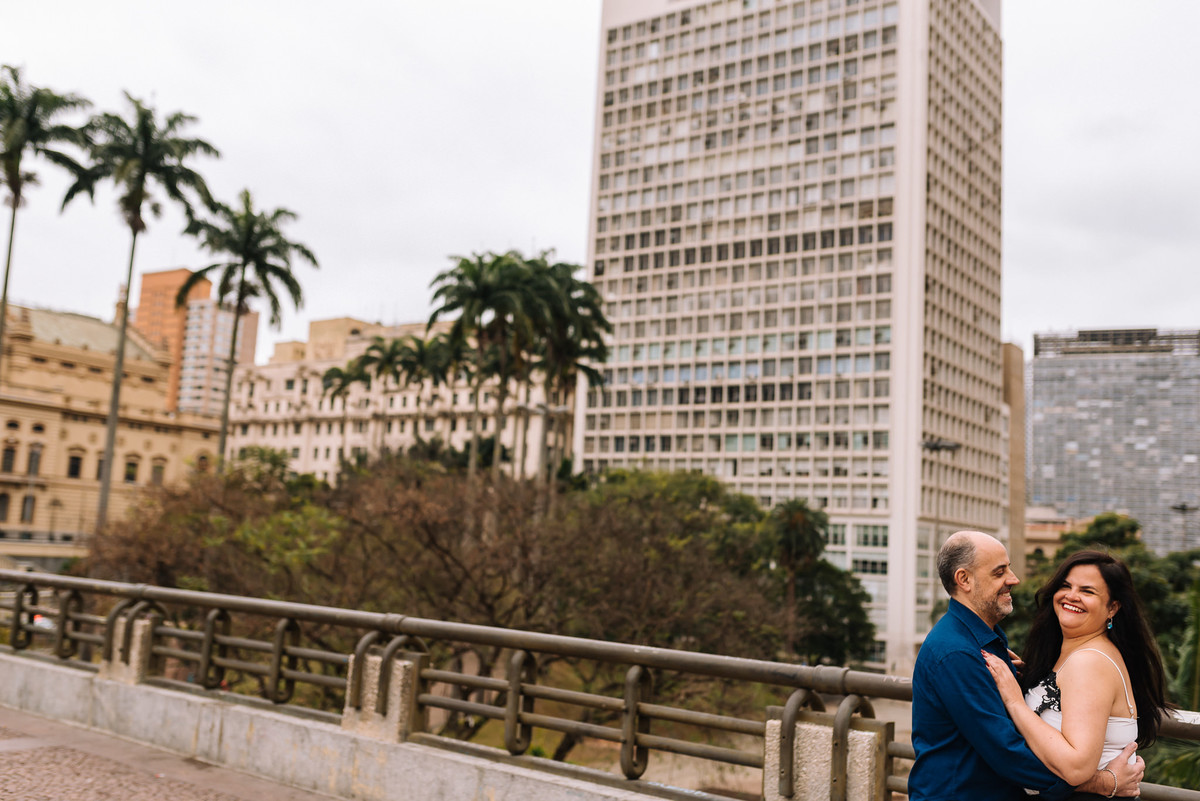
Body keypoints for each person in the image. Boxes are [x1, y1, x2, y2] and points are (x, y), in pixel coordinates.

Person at [909, 531, 1143, 801]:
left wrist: (1031, 684)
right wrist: (1101, 782)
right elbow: (1006, 751)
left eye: (1087, 591)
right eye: (999, 572)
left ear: (1113, 608)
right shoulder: (958, 652)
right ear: (964, 580)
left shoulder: (985, 641)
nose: (1014, 579)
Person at [983, 550, 1168, 796]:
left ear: (1112, 608)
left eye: (1087, 591)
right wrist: (1037, 682)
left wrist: (1014, 700)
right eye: (1066, 586)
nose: (1071, 596)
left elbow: (1076, 768)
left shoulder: (1088, 662)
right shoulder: (1080, 653)